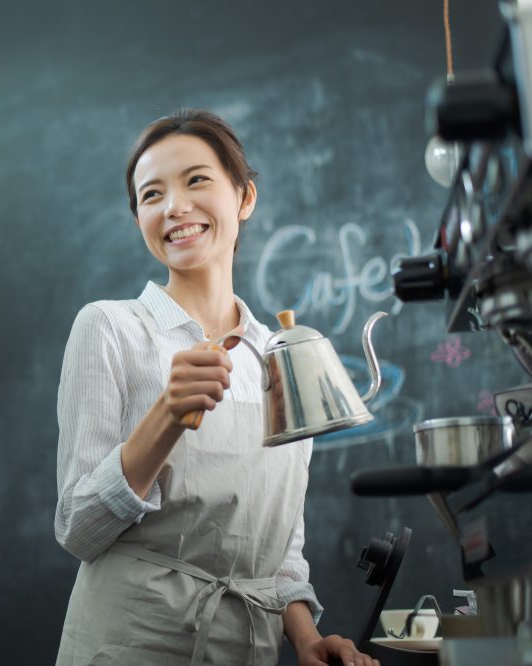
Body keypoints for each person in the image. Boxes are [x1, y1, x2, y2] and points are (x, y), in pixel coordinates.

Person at [54, 109, 379, 666]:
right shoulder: (110, 327)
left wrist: (305, 638)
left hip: (245, 646)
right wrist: (166, 415)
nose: (175, 206)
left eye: (196, 180)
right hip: (130, 643)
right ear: (140, 221)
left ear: (244, 197)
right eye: (151, 195)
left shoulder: (278, 354)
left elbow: (277, 548)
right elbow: (78, 528)